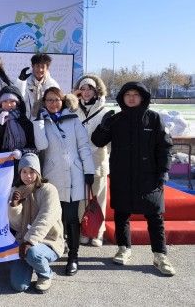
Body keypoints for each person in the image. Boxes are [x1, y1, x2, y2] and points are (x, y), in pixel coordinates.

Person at [91, 82, 176, 276]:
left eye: (135, 94)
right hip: (122, 176)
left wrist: (164, 170)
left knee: (155, 217)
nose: (131, 98)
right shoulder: (117, 119)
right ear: (122, 97)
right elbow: (97, 141)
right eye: (127, 94)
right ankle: (124, 248)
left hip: (150, 177)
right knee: (122, 214)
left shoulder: (153, 119)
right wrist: (104, 127)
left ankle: (160, 255)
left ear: (143, 97)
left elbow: (165, 147)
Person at [32, 87, 95, 276]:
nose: (53, 103)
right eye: (49, 100)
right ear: (44, 102)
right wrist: (39, 122)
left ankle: (73, 257)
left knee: (71, 218)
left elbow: (83, 145)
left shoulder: (73, 119)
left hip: (75, 174)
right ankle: (54, 249)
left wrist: (89, 170)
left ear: (63, 100)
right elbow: (41, 145)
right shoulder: (42, 120)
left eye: (56, 99)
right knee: (53, 217)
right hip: (53, 175)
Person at [9, 153, 64, 294]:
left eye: (32, 171)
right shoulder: (17, 191)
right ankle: (31, 264)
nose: (28, 176)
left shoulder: (48, 190)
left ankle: (45, 274)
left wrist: (29, 241)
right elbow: (16, 226)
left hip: (48, 241)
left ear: (38, 172)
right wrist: (14, 207)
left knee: (33, 254)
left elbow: (45, 219)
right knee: (18, 285)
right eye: (24, 172)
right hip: (24, 243)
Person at [72, 74, 110, 247]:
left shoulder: (104, 111)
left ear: (96, 91)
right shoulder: (73, 109)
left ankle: (98, 232)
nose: (86, 92)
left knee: (98, 196)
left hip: (97, 159)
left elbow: (109, 139)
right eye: (83, 88)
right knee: (81, 197)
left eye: (90, 89)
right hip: (78, 159)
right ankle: (85, 229)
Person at [0, 85, 37, 175]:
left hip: (22, 169)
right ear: (0, 103)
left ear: (18, 103)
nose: (9, 104)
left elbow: (33, 148)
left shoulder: (25, 122)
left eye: (12, 101)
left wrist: (21, 152)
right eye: (5, 101)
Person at [15, 53, 60, 119]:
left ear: (47, 68)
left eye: (42, 67)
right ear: (32, 66)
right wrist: (21, 81)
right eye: (37, 66)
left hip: (46, 122)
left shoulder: (52, 85)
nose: (40, 70)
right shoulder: (25, 81)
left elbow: (57, 104)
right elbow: (17, 98)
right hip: (26, 121)